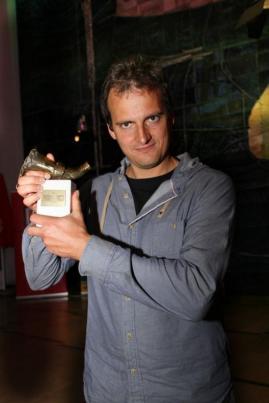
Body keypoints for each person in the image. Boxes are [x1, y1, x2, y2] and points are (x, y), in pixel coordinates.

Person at [17, 55, 235, 403]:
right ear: (110, 130)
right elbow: (40, 276)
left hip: (185, 393)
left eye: (152, 117)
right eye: (127, 124)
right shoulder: (94, 192)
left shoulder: (209, 188)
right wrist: (45, 207)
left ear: (170, 116)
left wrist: (87, 248)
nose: (142, 136)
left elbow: (196, 293)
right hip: (108, 391)